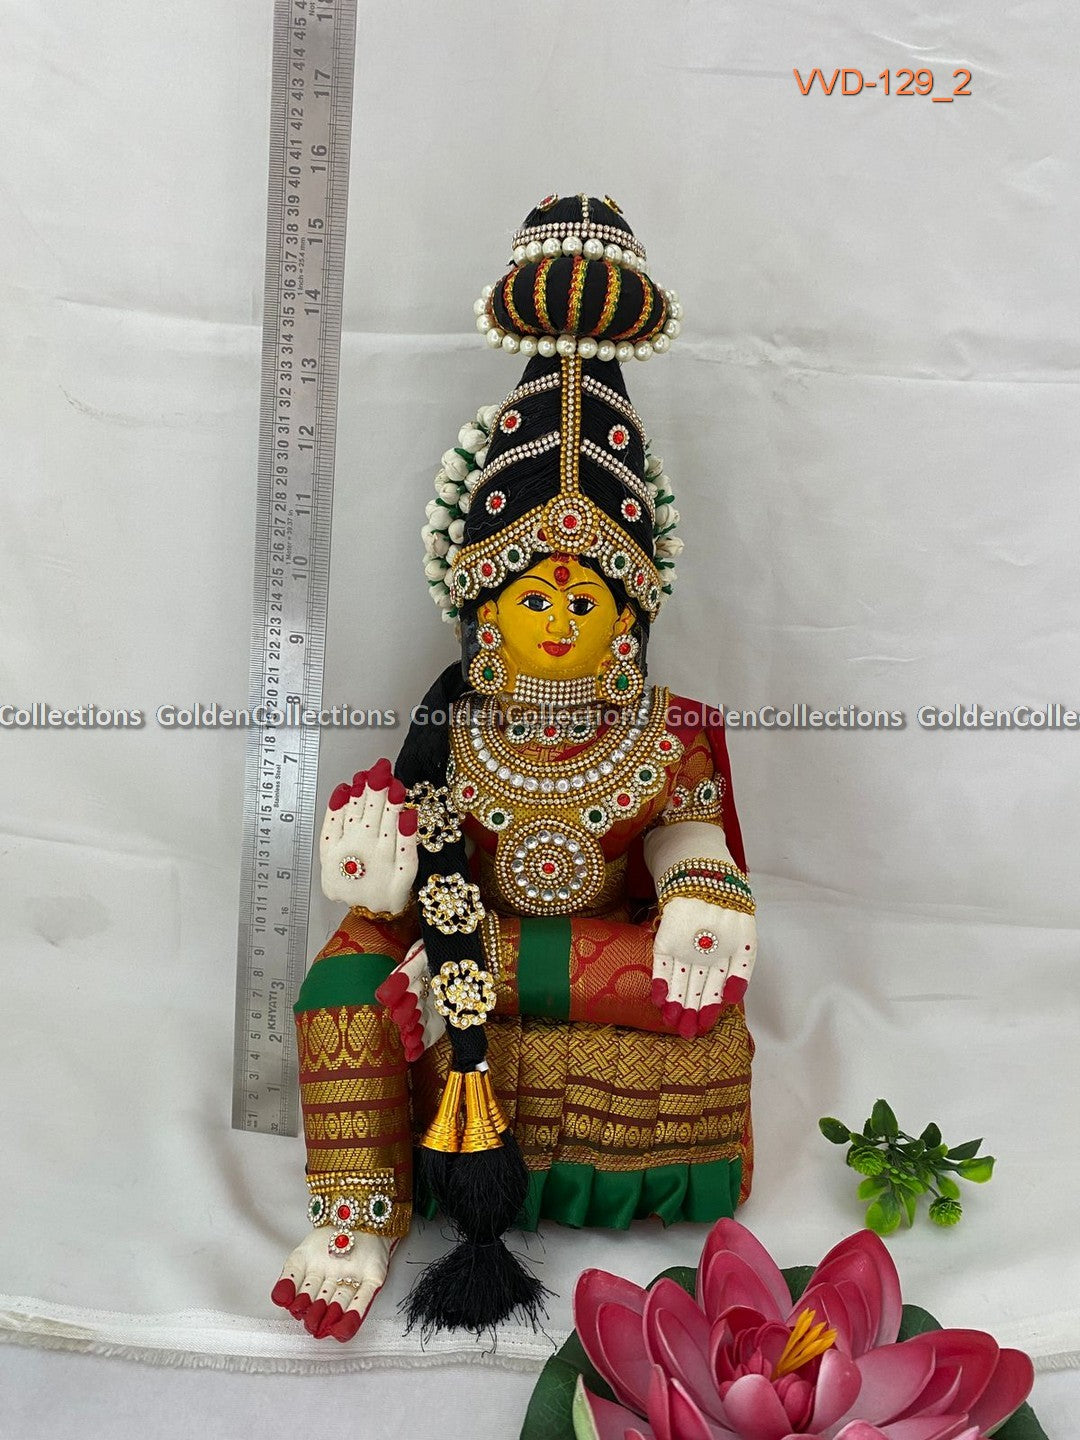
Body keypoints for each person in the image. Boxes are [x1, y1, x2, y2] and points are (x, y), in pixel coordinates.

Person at [270, 195, 759, 1342]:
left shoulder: (668, 729)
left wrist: (703, 886)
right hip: (476, 928)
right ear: (483, 611)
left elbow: (688, 832)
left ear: (630, 618)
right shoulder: (452, 727)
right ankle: (357, 1216)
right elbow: (402, 840)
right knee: (342, 982)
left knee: (704, 978)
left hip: (575, 950)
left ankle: (476, 984)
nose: (558, 621)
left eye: (586, 601)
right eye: (534, 597)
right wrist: (376, 860)